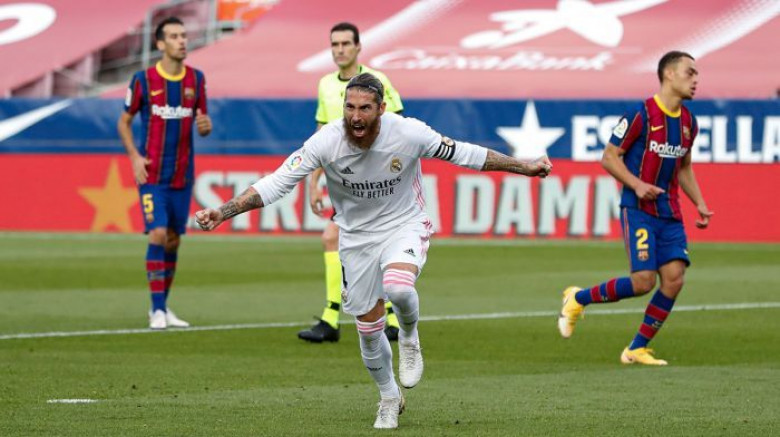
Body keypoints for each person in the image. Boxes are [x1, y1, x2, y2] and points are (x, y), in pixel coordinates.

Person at [195, 73, 552, 429]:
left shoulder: (409, 133)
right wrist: (223, 211)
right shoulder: (327, 140)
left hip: (403, 225)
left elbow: (465, 153)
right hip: (356, 238)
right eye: (349, 107)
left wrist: (524, 166)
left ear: (382, 108)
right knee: (368, 330)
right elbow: (277, 182)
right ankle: (389, 397)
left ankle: (409, 336)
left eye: (365, 108)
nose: (355, 116)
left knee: (399, 288)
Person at [557, 51, 713, 365]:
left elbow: (684, 167)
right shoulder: (641, 114)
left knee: (674, 279)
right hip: (638, 209)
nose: (696, 79)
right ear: (669, 74)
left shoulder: (688, 122)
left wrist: (699, 202)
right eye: (690, 72)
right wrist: (637, 184)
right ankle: (577, 298)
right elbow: (609, 157)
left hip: (670, 213)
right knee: (643, 282)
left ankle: (635, 349)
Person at [299, 22, 405, 344]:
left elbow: (398, 127)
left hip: (376, 180)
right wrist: (313, 182)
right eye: (335, 44)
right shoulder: (325, 84)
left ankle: (335, 317)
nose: (340, 49)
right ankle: (385, 318)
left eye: (346, 43)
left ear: (358, 47)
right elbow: (321, 137)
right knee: (341, 241)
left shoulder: (377, 81)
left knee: (341, 239)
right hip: (345, 183)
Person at [117, 16, 212, 330]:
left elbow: (203, 123)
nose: (182, 41)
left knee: (172, 240)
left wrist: (206, 126)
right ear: (160, 43)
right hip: (152, 176)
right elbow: (124, 122)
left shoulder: (196, 79)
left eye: (184, 35)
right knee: (157, 233)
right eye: (174, 36)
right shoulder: (143, 80)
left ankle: (164, 306)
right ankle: (156, 310)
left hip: (182, 176)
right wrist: (134, 157)